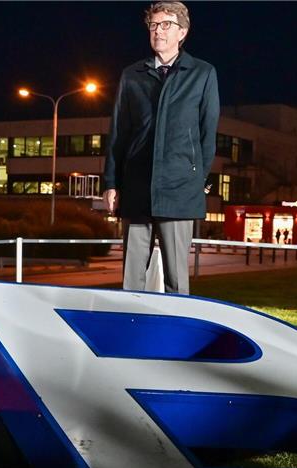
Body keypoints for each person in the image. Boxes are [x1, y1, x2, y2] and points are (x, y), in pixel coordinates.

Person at [103, 1, 219, 295]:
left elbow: (208, 134)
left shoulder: (202, 74)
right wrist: (111, 182)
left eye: (166, 24)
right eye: (153, 25)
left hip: (179, 190)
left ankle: (176, 335)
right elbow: (118, 133)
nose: (158, 31)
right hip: (137, 187)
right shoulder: (132, 75)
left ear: (183, 32)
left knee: (177, 281)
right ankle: (131, 331)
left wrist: (194, 179)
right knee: (131, 279)